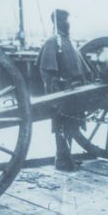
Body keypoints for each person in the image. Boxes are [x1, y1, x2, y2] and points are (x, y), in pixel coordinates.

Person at [37, 9, 92, 171]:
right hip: (62, 91)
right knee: (61, 126)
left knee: (73, 124)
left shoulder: (68, 42)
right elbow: (47, 72)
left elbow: (83, 67)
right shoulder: (53, 42)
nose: (68, 24)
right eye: (64, 21)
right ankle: (61, 159)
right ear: (57, 23)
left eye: (68, 20)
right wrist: (53, 92)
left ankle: (68, 157)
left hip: (75, 91)